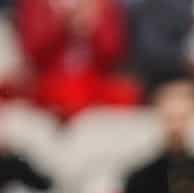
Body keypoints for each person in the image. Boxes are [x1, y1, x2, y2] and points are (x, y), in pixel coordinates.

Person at [14, 0, 142, 121]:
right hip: (48, 89)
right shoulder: (36, 4)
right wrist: (60, 23)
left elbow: (114, 53)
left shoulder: (104, 4)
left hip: (95, 89)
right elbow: (34, 52)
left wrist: (93, 23)